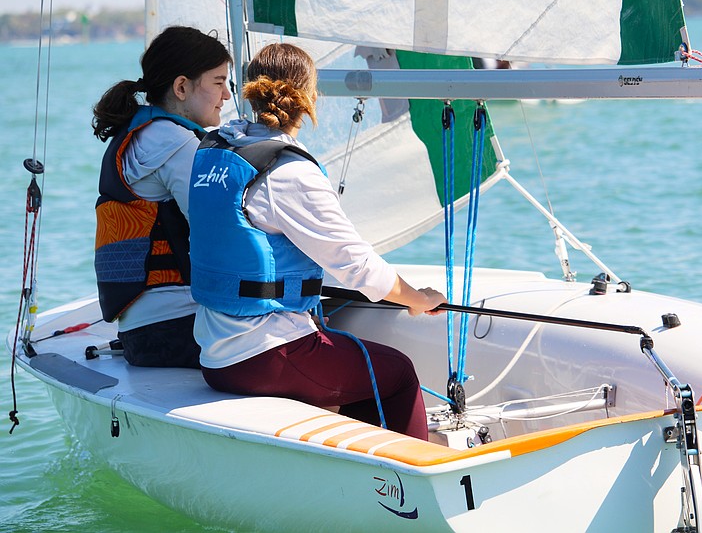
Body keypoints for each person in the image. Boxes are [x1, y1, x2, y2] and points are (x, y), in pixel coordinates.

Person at [188, 43, 446, 440]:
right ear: (310, 96)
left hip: (215, 355)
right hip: (264, 354)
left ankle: (360, 467)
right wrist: (418, 299)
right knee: (396, 375)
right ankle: (415, 476)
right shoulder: (288, 171)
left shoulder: (217, 150)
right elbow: (357, 266)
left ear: (251, 91)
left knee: (362, 380)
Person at [92, 26, 232, 368]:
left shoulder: (138, 133)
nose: (227, 95)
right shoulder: (175, 142)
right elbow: (224, 233)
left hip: (142, 332)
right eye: (218, 82)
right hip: (178, 327)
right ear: (181, 87)